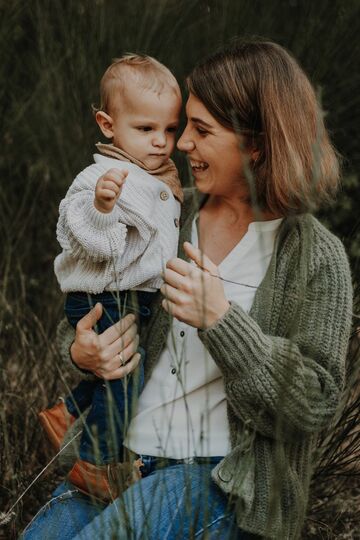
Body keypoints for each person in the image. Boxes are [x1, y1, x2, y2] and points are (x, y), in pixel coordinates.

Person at [23, 39, 352, 539]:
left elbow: (317, 403)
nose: (179, 144)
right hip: (118, 465)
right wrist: (83, 352)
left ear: (257, 142)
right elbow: (94, 298)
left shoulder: (314, 257)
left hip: (219, 477)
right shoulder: (166, 215)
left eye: (200, 130)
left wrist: (222, 321)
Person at [37, 54, 183, 501]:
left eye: (170, 129)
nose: (161, 142)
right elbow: (80, 230)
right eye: (146, 129)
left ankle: (67, 411)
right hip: (104, 293)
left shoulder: (151, 174)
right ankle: (97, 463)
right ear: (107, 125)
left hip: (128, 294)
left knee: (115, 371)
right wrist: (101, 208)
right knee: (123, 381)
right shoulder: (106, 175)